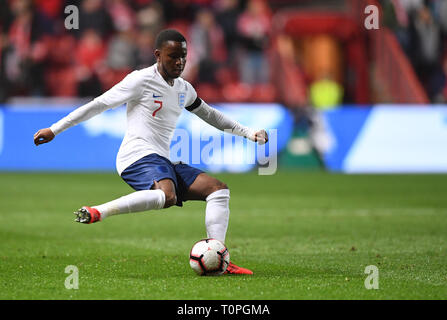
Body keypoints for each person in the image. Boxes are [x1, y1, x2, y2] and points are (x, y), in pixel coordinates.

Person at [33, 29, 268, 275]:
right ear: (157, 55)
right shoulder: (140, 80)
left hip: (163, 158)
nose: (179, 62)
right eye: (172, 56)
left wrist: (247, 133)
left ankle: (219, 256)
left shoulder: (184, 89)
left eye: (183, 57)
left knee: (218, 190)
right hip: (135, 155)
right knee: (167, 196)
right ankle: (99, 211)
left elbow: (210, 114)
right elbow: (99, 104)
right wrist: (54, 129)